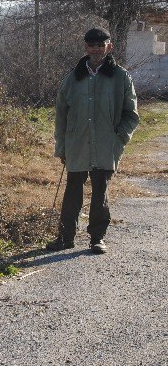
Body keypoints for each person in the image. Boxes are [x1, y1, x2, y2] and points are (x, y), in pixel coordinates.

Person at [47, 27, 139, 254]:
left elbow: (132, 114)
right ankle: (65, 238)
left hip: (107, 145)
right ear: (86, 47)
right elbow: (61, 115)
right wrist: (62, 147)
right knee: (72, 193)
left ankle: (97, 238)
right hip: (76, 145)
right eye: (92, 45)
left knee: (101, 193)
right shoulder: (72, 78)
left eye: (101, 45)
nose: (97, 49)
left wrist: (119, 140)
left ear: (110, 47)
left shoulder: (121, 77)